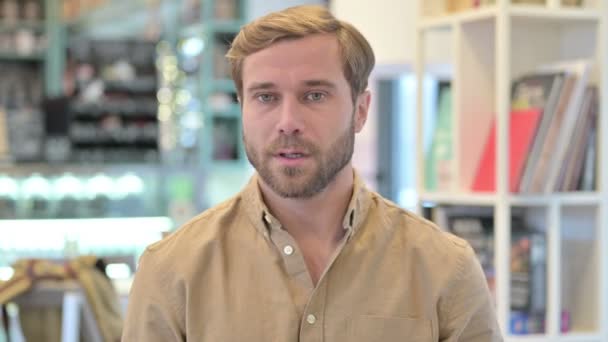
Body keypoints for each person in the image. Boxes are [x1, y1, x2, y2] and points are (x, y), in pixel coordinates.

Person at [122, 5, 502, 341]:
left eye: (314, 95)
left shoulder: (444, 268)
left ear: (361, 110)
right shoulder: (172, 272)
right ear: (242, 107)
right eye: (266, 97)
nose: (288, 122)